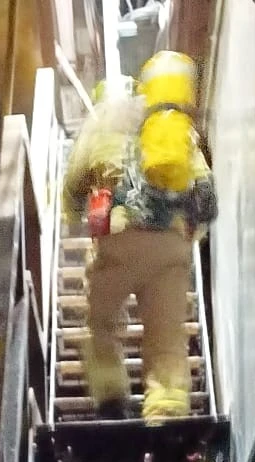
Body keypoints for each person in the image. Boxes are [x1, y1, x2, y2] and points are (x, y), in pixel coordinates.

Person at [61, 53, 216, 423]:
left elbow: (74, 182)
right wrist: (189, 236)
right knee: (167, 336)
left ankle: (112, 399)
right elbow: (205, 191)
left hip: (120, 238)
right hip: (171, 244)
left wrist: (75, 216)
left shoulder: (102, 120)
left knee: (101, 324)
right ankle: (167, 413)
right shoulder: (171, 123)